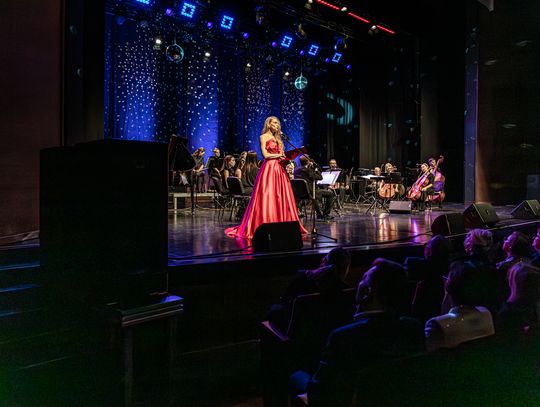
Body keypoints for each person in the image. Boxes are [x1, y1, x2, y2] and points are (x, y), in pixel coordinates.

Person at [288, 258, 424, 406]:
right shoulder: (414, 328)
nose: (359, 283)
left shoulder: (343, 337)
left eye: (363, 279)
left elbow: (320, 392)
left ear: (368, 292)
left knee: (296, 376)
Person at [226, 116, 308, 239]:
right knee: (268, 195)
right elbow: (265, 155)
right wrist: (279, 155)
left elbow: (280, 155)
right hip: (269, 168)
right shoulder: (263, 137)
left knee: (280, 195)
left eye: (278, 123)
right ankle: (265, 223)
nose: (277, 125)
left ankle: (282, 224)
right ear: (268, 124)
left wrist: (286, 157)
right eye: (274, 123)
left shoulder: (278, 139)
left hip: (279, 168)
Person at [294, 156, 335, 220]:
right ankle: (325, 214)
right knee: (331, 194)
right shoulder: (307, 170)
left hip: (298, 193)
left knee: (315, 195)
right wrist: (316, 169)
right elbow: (320, 177)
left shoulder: (296, 170)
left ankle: (320, 214)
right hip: (310, 192)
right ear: (308, 162)